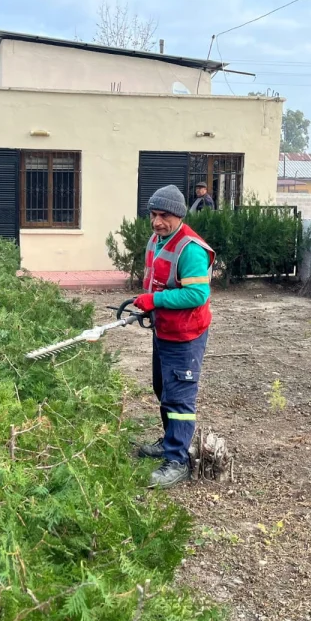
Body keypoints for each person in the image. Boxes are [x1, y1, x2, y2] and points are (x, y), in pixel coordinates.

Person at [131, 185, 215, 488]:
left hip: (186, 335)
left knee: (179, 397)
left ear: (178, 215)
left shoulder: (190, 248)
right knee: (162, 387)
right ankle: (169, 441)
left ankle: (177, 461)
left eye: (163, 215)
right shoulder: (158, 240)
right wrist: (148, 305)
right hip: (164, 330)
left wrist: (156, 301)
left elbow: (196, 293)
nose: (156, 221)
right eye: (153, 214)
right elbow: (159, 282)